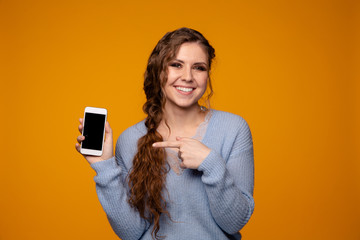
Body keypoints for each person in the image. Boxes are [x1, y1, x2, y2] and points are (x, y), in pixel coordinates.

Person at [75, 27, 254, 240]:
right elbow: (130, 233)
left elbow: (234, 222)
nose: (187, 77)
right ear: (159, 70)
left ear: (207, 74)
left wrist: (210, 162)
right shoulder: (130, 139)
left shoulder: (233, 129)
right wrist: (103, 167)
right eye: (176, 65)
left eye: (199, 68)